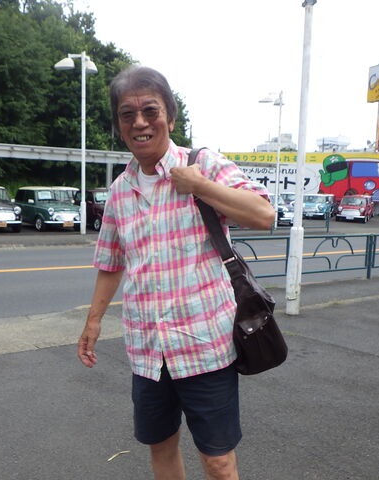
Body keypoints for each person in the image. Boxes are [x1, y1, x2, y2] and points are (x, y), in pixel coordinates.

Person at [77, 65, 275, 480]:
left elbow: (263, 215)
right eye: (127, 114)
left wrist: (200, 186)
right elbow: (111, 262)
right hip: (148, 350)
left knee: (218, 462)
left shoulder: (203, 164)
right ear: (118, 126)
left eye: (150, 110)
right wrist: (93, 322)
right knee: (161, 447)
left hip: (205, 347)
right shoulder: (120, 190)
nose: (140, 122)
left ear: (170, 116)